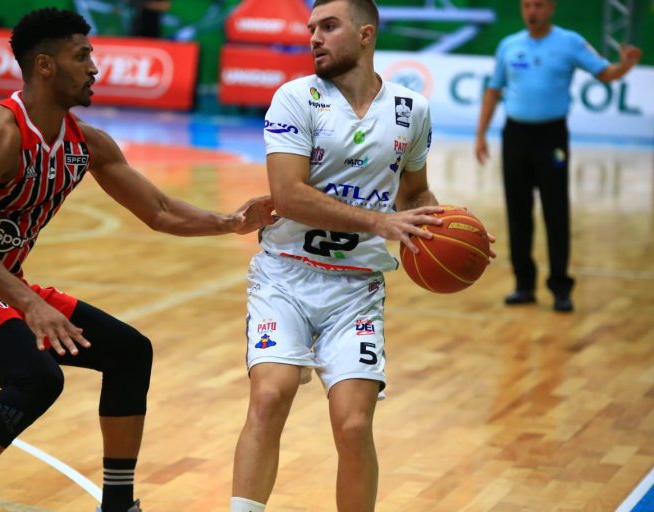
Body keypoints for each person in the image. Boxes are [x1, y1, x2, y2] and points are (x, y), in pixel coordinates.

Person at [0, 8, 273, 512]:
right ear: (45, 65)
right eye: (82, 56)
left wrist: (231, 221)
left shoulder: (84, 142)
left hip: (1, 288)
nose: (94, 68)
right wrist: (30, 305)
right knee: (39, 378)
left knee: (129, 352)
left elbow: (158, 209)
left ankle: (117, 506)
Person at [229, 1, 486, 510]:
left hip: (356, 288)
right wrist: (379, 222)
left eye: (329, 27)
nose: (314, 38)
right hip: (285, 276)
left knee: (352, 424)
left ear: (366, 34)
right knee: (271, 395)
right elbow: (287, 195)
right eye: (311, 29)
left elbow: (414, 193)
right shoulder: (294, 98)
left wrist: (448, 230)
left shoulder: (412, 110)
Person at [475, 0, 642, 312]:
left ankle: (561, 287)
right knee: (517, 212)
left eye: (538, 5)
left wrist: (625, 66)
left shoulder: (570, 42)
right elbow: (494, 90)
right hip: (515, 136)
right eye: (527, 6)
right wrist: (481, 134)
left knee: (556, 211)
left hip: (551, 138)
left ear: (551, 8)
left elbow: (605, 73)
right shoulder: (509, 45)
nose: (532, 11)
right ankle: (523, 285)